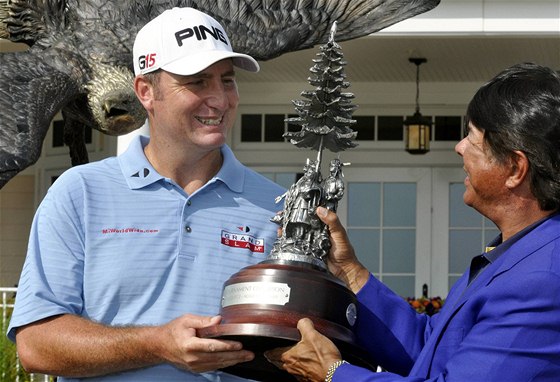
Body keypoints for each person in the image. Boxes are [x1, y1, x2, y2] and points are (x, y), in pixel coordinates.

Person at [7, 7, 285, 381]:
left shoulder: (279, 208)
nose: (219, 99)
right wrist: (157, 343)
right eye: (198, 82)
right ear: (145, 92)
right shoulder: (79, 194)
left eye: (227, 80)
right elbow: (37, 346)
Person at [265, 62, 560, 381]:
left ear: (515, 168)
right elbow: (428, 349)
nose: (459, 148)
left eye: (472, 140)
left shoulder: (541, 279)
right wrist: (350, 272)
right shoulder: (515, 254)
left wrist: (334, 374)